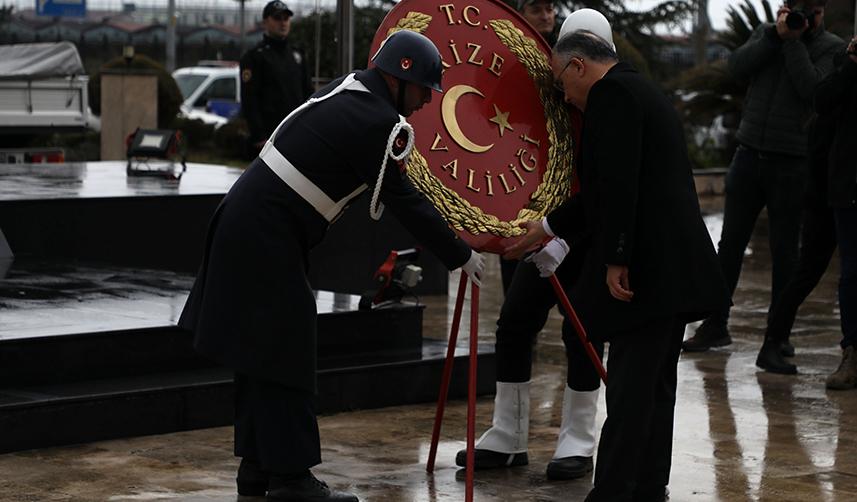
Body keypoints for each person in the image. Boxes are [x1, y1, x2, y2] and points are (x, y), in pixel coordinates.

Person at [179, 30, 485, 502]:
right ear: (399, 77)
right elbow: (405, 202)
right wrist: (459, 252)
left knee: (263, 352)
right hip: (266, 231)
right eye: (425, 87)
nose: (427, 100)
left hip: (251, 222)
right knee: (288, 352)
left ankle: (258, 470)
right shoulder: (379, 121)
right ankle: (291, 479)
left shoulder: (349, 91)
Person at [506, 31, 728, 501]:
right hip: (673, 268)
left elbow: (615, 186)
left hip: (648, 272)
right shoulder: (639, 87)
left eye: (561, 82)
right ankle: (647, 485)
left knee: (630, 389)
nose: (563, 95)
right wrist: (553, 228)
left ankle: (614, 491)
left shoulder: (612, 96)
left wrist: (615, 258)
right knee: (653, 387)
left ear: (579, 66)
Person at [457, 10, 616, 482]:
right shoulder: (548, 90)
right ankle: (509, 433)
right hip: (545, 228)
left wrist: (562, 239)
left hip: (586, 235)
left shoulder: (611, 106)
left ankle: (579, 438)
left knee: (582, 334)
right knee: (514, 323)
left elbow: (603, 191)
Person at [682, 0, 844, 353]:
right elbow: (736, 67)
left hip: (792, 162)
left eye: (808, 11)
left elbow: (813, 91)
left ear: (821, 13)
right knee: (729, 246)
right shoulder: (767, 34)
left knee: (785, 252)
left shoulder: (831, 48)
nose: (800, 18)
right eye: (793, 7)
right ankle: (715, 325)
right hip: (748, 154)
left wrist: (793, 43)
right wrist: (774, 36)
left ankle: (776, 335)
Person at [755, 111, 838, 374]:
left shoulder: (831, 92)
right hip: (827, 201)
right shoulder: (837, 91)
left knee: (804, 274)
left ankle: (774, 340)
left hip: (826, 199)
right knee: (805, 274)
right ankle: (773, 341)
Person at [499, 0, 561, 293]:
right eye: (537, 10)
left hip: (558, 175)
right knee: (516, 269)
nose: (546, 16)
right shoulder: (507, 57)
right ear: (520, 14)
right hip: (515, 175)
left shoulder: (564, 56)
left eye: (550, 9)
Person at [815, 37, 857, 389]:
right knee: (851, 274)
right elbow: (822, 100)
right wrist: (851, 62)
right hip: (850, 188)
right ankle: (852, 352)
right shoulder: (845, 62)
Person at [240, 1, 313, 154]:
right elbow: (249, 100)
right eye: (277, 18)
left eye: (286, 18)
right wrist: (259, 136)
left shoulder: (297, 54)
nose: (283, 23)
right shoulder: (255, 57)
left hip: (296, 133)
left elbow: (308, 93)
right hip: (268, 138)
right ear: (266, 22)